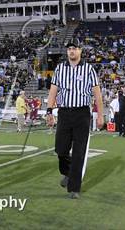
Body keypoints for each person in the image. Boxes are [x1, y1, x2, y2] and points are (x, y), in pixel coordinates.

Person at [46, 38, 104, 199]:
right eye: (69, 48)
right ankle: (67, 172)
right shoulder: (59, 69)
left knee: (79, 151)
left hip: (82, 114)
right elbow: (53, 91)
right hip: (64, 113)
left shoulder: (89, 69)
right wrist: (49, 111)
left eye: (75, 48)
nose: (72, 50)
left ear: (80, 50)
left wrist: (100, 115)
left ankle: (74, 188)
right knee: (61, 149)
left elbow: (97, 94)